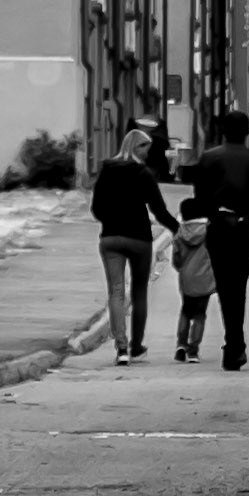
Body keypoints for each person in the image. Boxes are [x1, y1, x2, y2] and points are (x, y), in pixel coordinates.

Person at [191, 109, 249, 370]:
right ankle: (235, 345)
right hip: (246, 233)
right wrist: (246, 217)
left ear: (223, 131)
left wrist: (217, 215)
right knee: (239, 286)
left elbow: (200, 200)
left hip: (219, 231)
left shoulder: (209, 158)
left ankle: (234, 344)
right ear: (248, 132)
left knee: (226, 288)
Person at [91, 127, 178, 363]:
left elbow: (96, 209)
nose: (148, 154)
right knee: (139, 294)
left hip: (110, 238)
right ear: (137, 147)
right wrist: (178, 229)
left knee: (116, 292)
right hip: (139, 239)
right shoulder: (143, 174)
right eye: (146, 148)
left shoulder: (107, 170)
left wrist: (112, 220)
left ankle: (121, 349)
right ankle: (136, 346)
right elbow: (159, 211)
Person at [171, 197, 215, 362]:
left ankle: (181, 344)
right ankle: (193, 350)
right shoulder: (209, 232)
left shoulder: (180, 234)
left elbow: (176, 259)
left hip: (187, 278)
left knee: (186, 310)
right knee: (200, 314)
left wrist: (181, 268)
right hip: (205, 278)